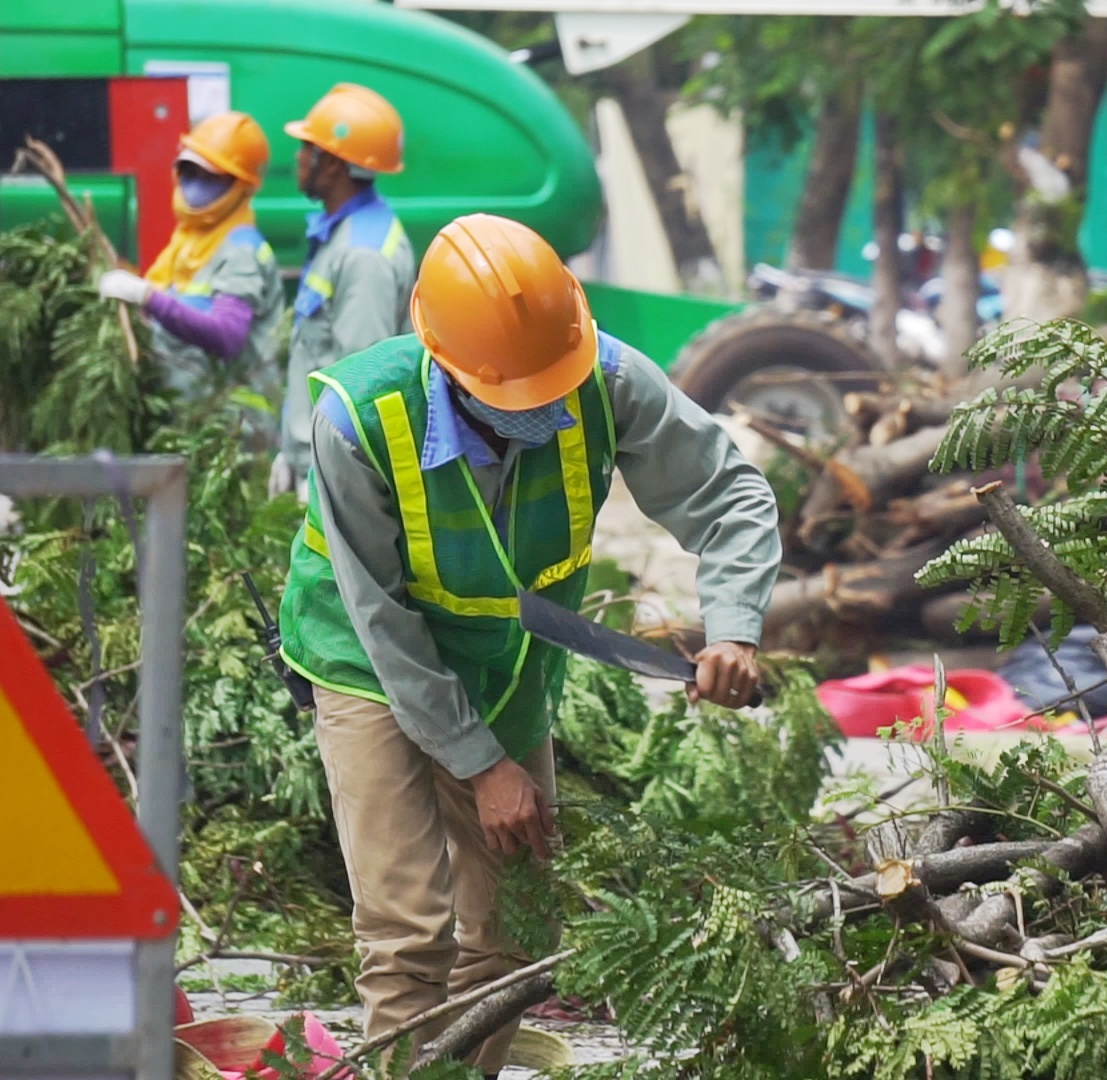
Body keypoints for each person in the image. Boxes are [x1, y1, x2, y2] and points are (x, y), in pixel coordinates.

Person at [277, 213, 780, 1070]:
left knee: (516, 933)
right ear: (449, 363)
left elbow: (731, 496)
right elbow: (385, 618)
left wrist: (733, 629)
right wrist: (480, 765)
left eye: (555, 384)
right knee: (409, 939)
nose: (546, 405)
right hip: (367, 659)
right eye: (520, 394)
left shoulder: (607, 378)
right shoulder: (355, 421)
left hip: (507, 665)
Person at [271, 83, 415, 499]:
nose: (297, 157)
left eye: (305, 147)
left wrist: (324, 480)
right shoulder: (343, 236)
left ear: (331, 164)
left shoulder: (362, 255)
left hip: (334, 478)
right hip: (316, 464)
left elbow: (359, 387)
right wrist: (291, 452)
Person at [95, 112, 285, 411]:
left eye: (211, 176)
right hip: (188, 417)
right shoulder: (187, 240)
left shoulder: (241, 251)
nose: (195, 184)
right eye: (189, 171)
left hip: (232, 428)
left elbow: (227, 335)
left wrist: (148, 298)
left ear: (240, 186)